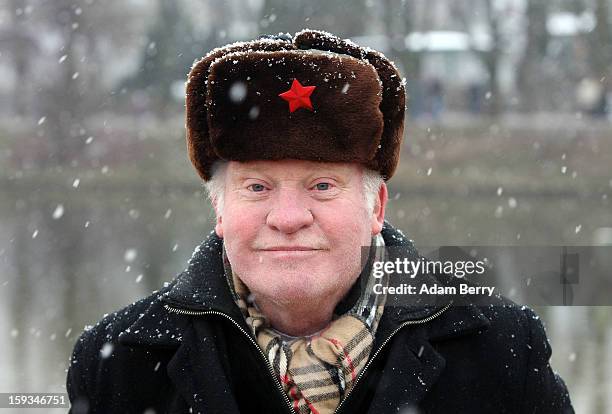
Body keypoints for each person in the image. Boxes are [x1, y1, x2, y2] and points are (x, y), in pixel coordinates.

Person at [66, 29, 574, 414]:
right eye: (258, 187)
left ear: (376, 208)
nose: (288, 219)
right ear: (220, 210)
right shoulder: (118, 364)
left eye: (323, 187)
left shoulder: (501, 349)